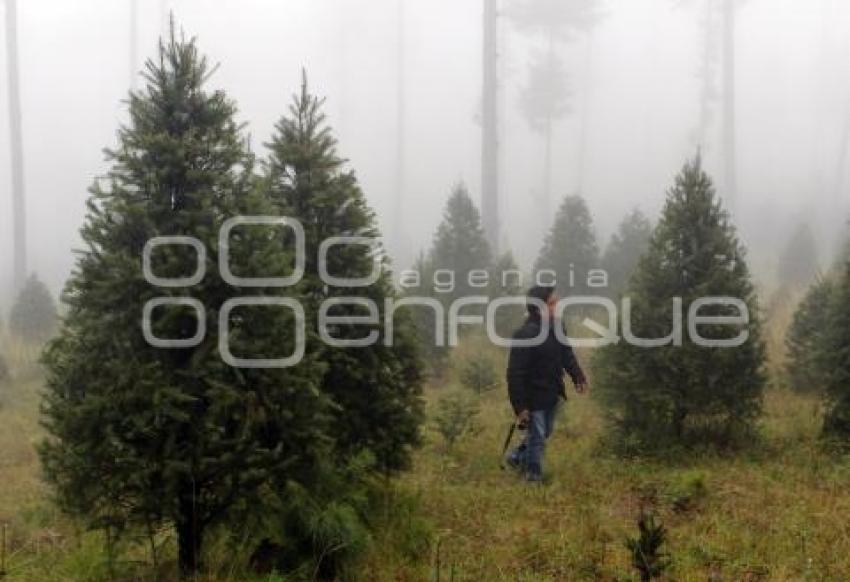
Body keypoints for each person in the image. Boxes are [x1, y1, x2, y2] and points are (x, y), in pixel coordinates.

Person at [505, 284, 588, 482]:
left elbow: (566, 354)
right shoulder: (525, 334)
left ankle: (516, 457)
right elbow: (515, 373)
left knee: (544, 432)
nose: (557, 306)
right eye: (552, 303)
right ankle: (533, 478)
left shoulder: (557, 326)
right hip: (533, 397)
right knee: (538, 437)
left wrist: (578, 376)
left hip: (552, 392)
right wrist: (520, 407)